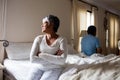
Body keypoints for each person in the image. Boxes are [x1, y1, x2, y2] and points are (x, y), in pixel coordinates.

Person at [27, 15, 68, 80]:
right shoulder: (38, 39)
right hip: (39, 67)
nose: (42, 25)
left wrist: (41, 55)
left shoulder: (62, 40)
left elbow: (62, 61)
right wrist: (54, 58)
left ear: (51, 24)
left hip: (55, 68)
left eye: (44, 23)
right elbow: (32, 59)